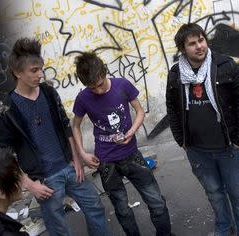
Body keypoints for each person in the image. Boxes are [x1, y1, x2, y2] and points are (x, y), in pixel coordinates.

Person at [0, 38, 110, 236]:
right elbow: (6, 156)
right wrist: (30, 184)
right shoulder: (7, 110)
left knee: (95, 206)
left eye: (41, 69)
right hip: (44, 180)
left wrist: (76, 160)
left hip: (69, 167)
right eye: (34, 70)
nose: (40, 74)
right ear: (17, 72)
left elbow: (66, 126)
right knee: (58, 228)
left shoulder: (48, 92)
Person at [166, 23, 239, 236]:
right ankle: (225, 228)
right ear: (182, 49)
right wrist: (181, 140)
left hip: (229, 148)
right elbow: (172, 106)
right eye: (192, 43)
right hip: (197, 150)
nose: (199, 46)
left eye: (201, 40)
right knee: (215, 194)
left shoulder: (225, 65)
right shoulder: (176, 73)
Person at [72, 52, 172, 236]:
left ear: (104, 72)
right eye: (92, 88)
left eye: (100, 84)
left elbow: (140, 111)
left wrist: (131, 131)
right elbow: (75, 126)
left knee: (156, 201)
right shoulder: (83, 98)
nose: (98, 91)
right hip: (106, 162)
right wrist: (83, 154)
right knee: (123, 210)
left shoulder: (122, 85)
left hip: (131, 154)